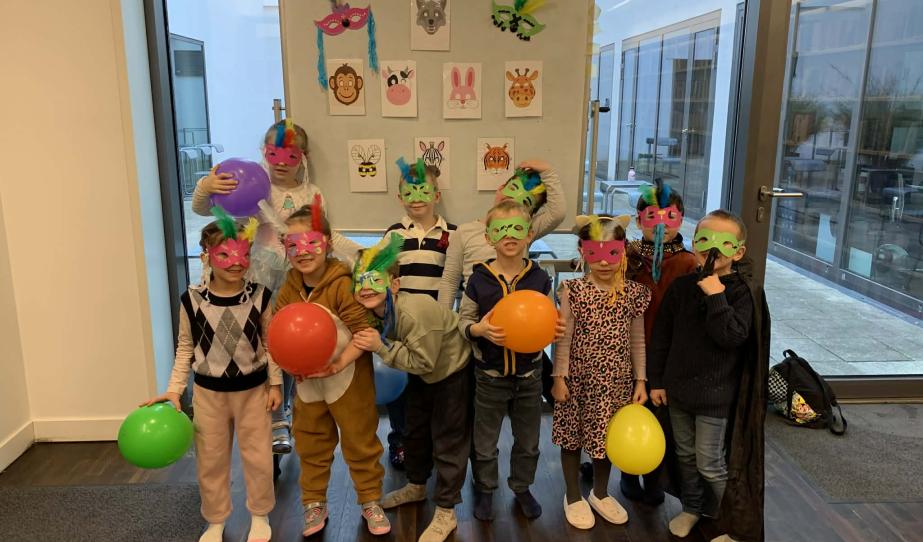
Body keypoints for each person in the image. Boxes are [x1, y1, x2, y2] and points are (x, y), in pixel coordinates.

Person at [191, 119, 361, 457]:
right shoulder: (254, 186)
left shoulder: (313, 194)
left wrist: (359, 254)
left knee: (293, 342)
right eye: (274, 154)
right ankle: (274, 421)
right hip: (258, 276)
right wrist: (205, 186)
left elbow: (325, 235)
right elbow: (203, 208)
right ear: (264, 153)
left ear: (303, 157)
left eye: (291, 155)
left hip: (297, 278)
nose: (281, 162)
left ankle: (294, 414)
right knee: (261, 345)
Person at [143, 208, 281, 542]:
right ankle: (216, 519)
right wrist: (175, 389)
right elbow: (185, 347)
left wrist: (275, 383)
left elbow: (271, 343)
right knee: (211, 461)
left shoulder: (260, 296)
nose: (236, 262)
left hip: (254, 392)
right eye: (225, 255)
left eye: (243, 254)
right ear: (206, 255)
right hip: (208, 395)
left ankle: (260, 515)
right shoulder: (192, 300)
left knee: (259, 458)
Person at [648, 210, 769, 542]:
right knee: (685, 457)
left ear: (738, 252)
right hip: (678, 392)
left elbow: (732, 337)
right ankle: (693, 508)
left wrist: (716, 296)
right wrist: (657, 380)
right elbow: (662, 336)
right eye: (704, 239)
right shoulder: (681, 287)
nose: (711, 248)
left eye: (722, 241)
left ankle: (730, 524)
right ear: (694, 243)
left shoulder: (743, 292)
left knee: (710, 463)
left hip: (716, 397)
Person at [273, 197, 389, 537]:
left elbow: (364, 332)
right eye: (293, 244)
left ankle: (370, 499)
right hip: (307, 383)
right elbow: (278, 332)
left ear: (326, 243)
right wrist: (289, 365)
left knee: (360, 441)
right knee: (311, 443)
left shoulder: (342, 283)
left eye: (310, 242)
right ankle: (313, 502)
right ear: (285, 249)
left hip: (348, 379)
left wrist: (338, 363)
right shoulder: (289, 288)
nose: (303, 251)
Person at [350, 234, 473, 542]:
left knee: (448, 440)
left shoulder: (415, 310)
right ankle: (417, 486)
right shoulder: (371, 311)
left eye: (375, 279)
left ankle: (446, 510)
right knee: (414, 430)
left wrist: (381, 347)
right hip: (420, 373)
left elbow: (424, 362)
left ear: (394, 284)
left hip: (450, 371)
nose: (366, 287)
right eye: (360, 280)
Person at [457, 199, 562, 521]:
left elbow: (549, 318)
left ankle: (521, 486)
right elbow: (463, 322)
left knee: (528, 441)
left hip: (530, 376)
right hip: (489, 376)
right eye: (501, 230)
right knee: (485, 441)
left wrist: (554, 328)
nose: (509, 236)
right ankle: (486, 489)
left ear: (529, 234)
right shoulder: (479, 279)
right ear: (489, 237)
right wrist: (479, 330)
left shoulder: (540, 278)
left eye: (517, 228)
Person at [551, 214, 651, 529]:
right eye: (595, 253)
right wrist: (558, 377)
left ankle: (600, 492)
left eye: (612, 253)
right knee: (571, 437)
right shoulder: (573, 290)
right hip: (577, 380)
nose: (604, 262)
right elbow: (563, 339)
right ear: (582, 251)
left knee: (606, 438)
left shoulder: (633, 293)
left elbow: (637, 340)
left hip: (615, 382)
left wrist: (640, 380)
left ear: (623, 251)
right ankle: (572, 495)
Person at [618, 178, 698, 504]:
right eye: (651, 217)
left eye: (669, 216)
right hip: (628, 351)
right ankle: (627, 473)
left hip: (668, 356)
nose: (660, 224)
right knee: (629, 412)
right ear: (639, 221)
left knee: (660, 419)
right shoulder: (627, 257)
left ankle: (654, 478)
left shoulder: (689, 264)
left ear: (681, 220)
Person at [381, 157, 457, 469]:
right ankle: (400, 440)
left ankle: (432, 443)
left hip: (437, 329)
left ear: (436, 195)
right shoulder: (394, 234)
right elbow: (383, 275)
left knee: (433, 387)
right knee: (402, 388)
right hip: (402, 326)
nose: (416, 198)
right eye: (409, 192)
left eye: (423, 191)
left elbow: (455, 279)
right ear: (400, 197)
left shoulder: (452, 234)